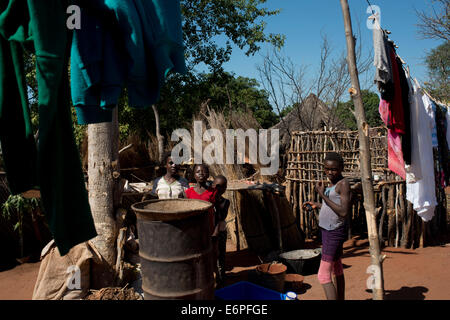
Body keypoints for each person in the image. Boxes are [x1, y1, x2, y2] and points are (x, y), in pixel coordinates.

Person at [303, 152, 351, 300]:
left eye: (334, 169)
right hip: (329, 230)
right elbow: (332, 206)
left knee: (323, 275)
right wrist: (317, 204)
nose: (330, 172)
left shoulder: (343, 184)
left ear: (341, 168)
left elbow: (343, 211)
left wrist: (322, 195)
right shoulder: (332, 183)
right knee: (336, 267)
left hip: (333, 232)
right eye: (327, 169)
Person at [212, 175, 230, 283]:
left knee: (221, 254)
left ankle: (221, 278)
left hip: (221, 232)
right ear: (212, 185)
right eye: (217, 186)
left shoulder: (225, 202)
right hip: (209, 232)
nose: (219, 189)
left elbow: (220, 217)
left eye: (223, 187)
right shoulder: (208, 199)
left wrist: (216, 202)